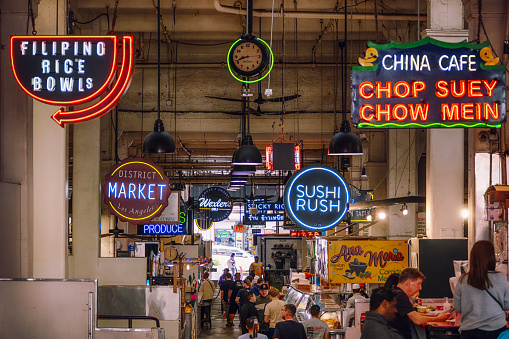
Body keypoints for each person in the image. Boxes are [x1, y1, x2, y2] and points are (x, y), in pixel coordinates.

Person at [453, 240, 509, 339]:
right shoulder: (501, 278)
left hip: (469, 331)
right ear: (492, 257)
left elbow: (457, 308)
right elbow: (507, 305)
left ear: (472, 258)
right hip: (496, 330)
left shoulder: (463, 280)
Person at [389, 268, 451, 339]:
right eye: (419, 283)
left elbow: (413, 314)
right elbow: (418, 320)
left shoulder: (396, 293)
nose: (420, 288)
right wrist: (439, 318)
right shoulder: (400, 295)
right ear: (408, 283)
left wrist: (434, 316)